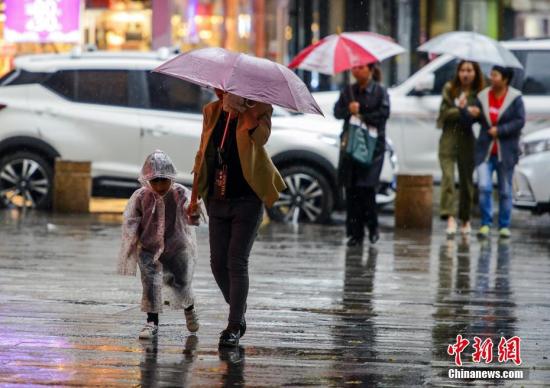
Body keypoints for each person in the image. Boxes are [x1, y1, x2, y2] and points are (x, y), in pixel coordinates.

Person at [191, 90, 286, 347]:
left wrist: (247, 112)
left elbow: (261, 139)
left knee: (236, 261)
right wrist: (194, 198)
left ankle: (233, 326)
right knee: (217, 263)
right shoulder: (212, 111)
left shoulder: (261, 107)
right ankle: (239, 310)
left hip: (247, 198)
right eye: (220, 89)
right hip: (218, 199)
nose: (221, 92)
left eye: (228, 89)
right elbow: (203, 152)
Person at [118, 150, 203, 339]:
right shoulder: (141, 197)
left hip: (176, 249)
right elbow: (132, 220)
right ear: (147, 179)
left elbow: (192, 215)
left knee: (181, 284)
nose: (159, 185)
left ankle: (189, 308)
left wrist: (193, 210)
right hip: (148, 249)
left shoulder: (180, 194)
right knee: (150, 284)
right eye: (154, 180)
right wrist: (132, 240)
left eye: (163, 180)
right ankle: (151, 321)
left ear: (171, 177)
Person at [464, 65, 525, 238]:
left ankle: (504, 225)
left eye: (495, 75)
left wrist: (501, 130)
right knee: (484, 186)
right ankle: (486, 223)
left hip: (506, 152)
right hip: (485, 151)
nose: (491, 77)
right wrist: (470, 113)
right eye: (491, 74)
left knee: (505, 190)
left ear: (505, 79)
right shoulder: (483, 96)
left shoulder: (515, 98)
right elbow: (471, 120)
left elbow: (520, 121)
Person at [334, 63, 390, 247]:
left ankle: (372, 228)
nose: (357, 70)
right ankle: (354, 234)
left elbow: (383, 114)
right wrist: (348, 110)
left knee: (366, 189)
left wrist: (362, 113)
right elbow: (337, 112)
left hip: (372, 148)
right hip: (351, 147)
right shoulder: (348, 91)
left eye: (361, 67)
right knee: (351, 190)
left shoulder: (380, 92)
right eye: (354, 67)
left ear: (371, 70)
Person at [437, 60, 485, 236]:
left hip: (467, 137)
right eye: (463, 70)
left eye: (470, 70)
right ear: (457, 72)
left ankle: (465, 218)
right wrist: (461, 109)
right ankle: (449, 216)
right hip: (449, 136)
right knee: (448, 177)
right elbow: (444, 113)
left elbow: (482, 116)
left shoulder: (479, 92)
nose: (466, 74)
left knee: (466, 180)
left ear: (475, 73)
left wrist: (475, 113)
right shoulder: (450, 89)